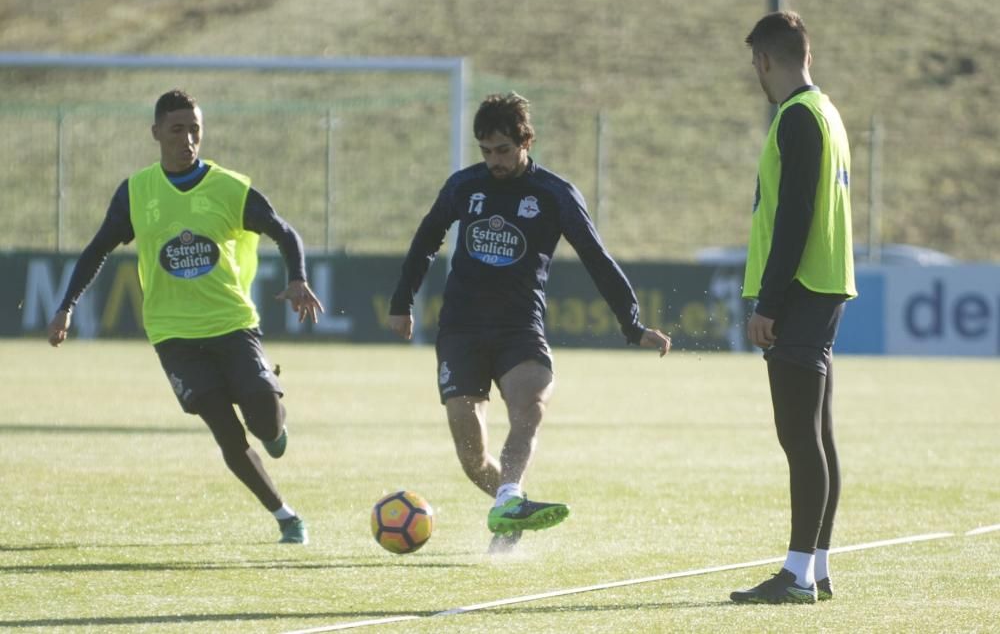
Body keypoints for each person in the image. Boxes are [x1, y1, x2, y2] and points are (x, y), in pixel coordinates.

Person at [388, 92, 671, 553]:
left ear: (526, 142)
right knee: (472, 456)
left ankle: (511, 496)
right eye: (485, 150)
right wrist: (403, 301)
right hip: (460, 328)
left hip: (520, 329)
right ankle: (509, 509)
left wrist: (632, 324)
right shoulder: (464, 186)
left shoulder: (555, 194)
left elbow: (597, 259)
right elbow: (425, 240)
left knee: (530, 408)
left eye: (502, 150)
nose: (493, 160)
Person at [47, 89, 324, 545]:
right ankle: (286, 517)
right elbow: (97, 250)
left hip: (232, 324)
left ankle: (275, 426)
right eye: (177, 129)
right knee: (227, 434)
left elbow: (284, 231)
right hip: (173, 335)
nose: (188, 139)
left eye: (195, 129)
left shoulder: (229, 187)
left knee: (265, 422)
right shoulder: (136, 193)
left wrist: (297, 278)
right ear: (156, 133)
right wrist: (65, 307)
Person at [730, 12, 857, 604]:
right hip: (824, 285)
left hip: (802, 291)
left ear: (764, 61)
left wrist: (769, 302)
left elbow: (795, 216)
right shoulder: (826, 111)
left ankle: (798, 572)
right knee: (817, 435)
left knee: (798, 437)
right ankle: (818, 567)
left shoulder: (798, 117)